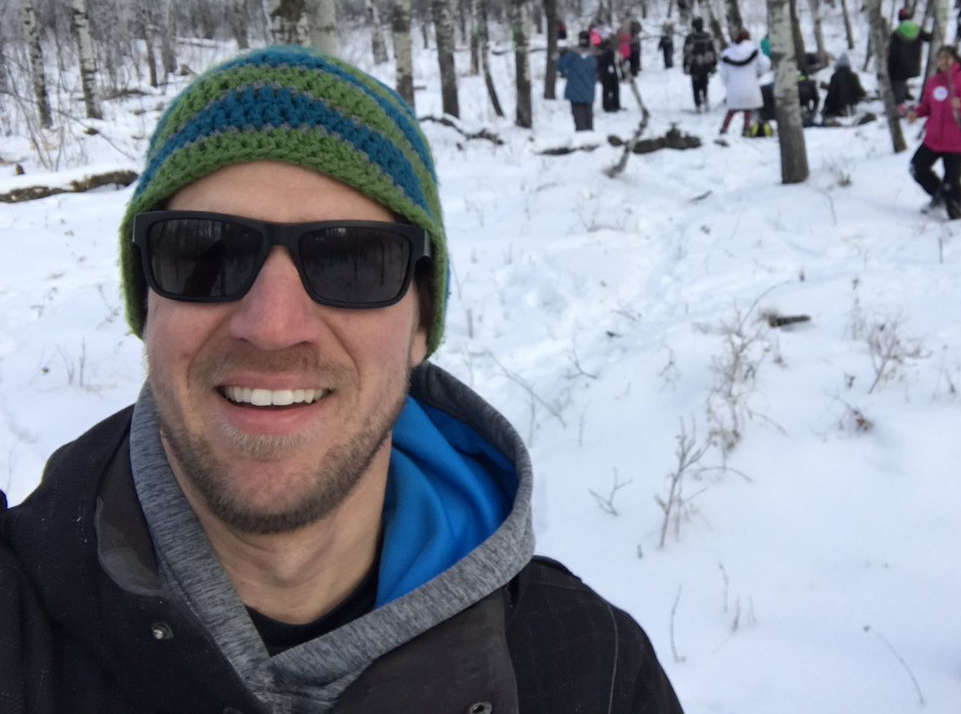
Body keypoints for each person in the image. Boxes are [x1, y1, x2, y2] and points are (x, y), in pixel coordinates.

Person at [0, 46, 683, 712]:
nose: (272, 325)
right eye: (203, 253)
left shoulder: (596, 672)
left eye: (351, 261)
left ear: (421, 324)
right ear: (146, 303)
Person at [906, 44, 961, 219]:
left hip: (956, 141)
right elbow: (927, 106)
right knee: (917, 168)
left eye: (947, 58)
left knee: (952, 182)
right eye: (940, 58)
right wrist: (917, 113)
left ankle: (957, 216)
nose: (943, 62)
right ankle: (939, 197)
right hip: (934, 138)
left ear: (955, 59)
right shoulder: (934, 81)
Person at [717, 28, 771, 136]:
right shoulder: (754, 50)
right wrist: (758, 74)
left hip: (734, 87)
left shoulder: (727, 53)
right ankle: (746, 129)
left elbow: (723, 73)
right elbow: (766, 64)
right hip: (750, 85)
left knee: (732, 110)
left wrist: (728, 84)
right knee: (748, 109)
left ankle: (724, 128)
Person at [886, 7, 932, 109]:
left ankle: (900, 104)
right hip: (914, 64)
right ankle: (906, 94)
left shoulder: (897, 33)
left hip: (899, 64)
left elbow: (893, 52)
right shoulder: (918, 29)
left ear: (899, 18)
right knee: (903, 79)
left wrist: (889, 64)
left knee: (897, 80)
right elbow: (929, 38)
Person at [556, 30, 599, 131]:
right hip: (589, 92)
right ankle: (592, 140)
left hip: (575, 92)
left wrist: (561, 56)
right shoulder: (593, 55)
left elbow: (560, 67)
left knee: (579, 121)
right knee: (589, 120)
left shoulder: (572, 55)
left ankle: (582, 142)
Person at [682, 16, 717, 110]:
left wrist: (685, 65)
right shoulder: (707, 36)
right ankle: (705, 99)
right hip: (706, 64)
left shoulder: (690, 37)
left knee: (695, 85)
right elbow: (712, 50)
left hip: (694, 65)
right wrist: (714, 64)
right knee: (704, 83)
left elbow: (686, 52)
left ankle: (697, 103)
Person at [822, 53, 867, 121]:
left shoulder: (835, 76)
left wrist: (826, 106)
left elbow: (831, 93)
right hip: (852, 106)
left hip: (838, 108)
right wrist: (864, 95)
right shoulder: (854, 76)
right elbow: (859, 90)